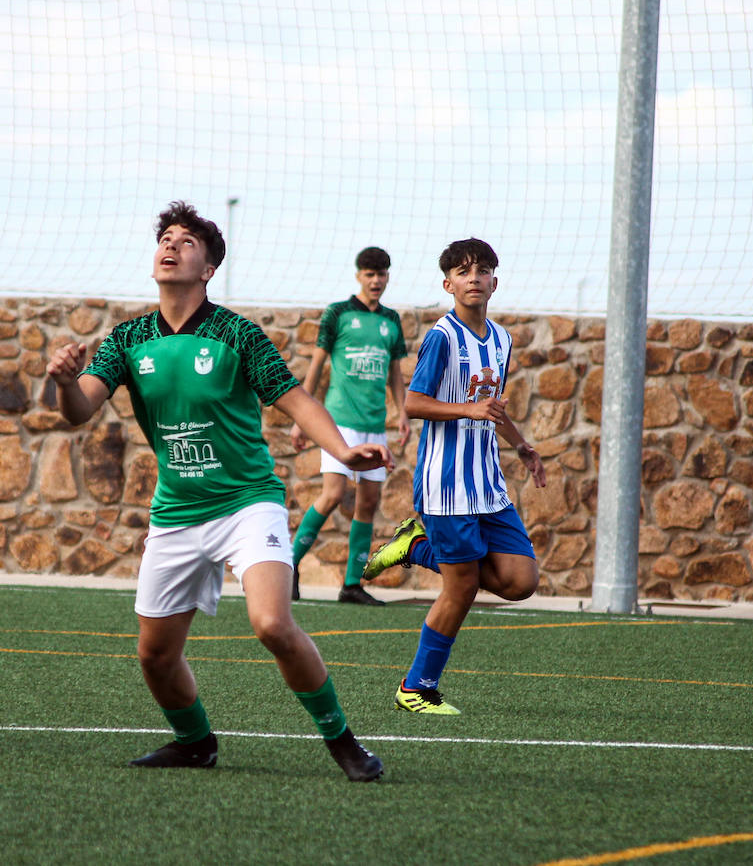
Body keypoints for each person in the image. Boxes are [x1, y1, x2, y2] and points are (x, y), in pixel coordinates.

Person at [46, 201, 387, 781]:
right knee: (155, 654)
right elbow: (80, 409)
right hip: (176, 512)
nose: (171, 246)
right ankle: (195, 743)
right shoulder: (127, 339)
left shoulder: (236, 333)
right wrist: (62, 383)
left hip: (246, 503)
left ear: (208, 269)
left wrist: (343, 450)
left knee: (272, 624)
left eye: (187, 241)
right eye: (166, 238)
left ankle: (344, 742)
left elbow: (296, 399)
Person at [363, 237, 546, 715]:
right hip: (447, 487)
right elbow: (413, 403)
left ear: (494, 282)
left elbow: (491, 407)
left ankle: (416, 547)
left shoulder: (502, 339)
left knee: (521, 580)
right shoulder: (442, 337)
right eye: (463, 272)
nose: (474, 278)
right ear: (449, 285)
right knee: (461, 587)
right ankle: (416, 688)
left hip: (488, 484)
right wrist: (468, 408)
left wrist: (521, 445)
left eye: (482, 270)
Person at [289, 246, 411, 605]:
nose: (376, 281)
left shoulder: (391, 320)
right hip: (339, 423)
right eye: (370, 274)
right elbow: (316, 365)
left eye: (382, 274)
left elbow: (395, 373)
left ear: (387, 277)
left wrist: (402, 413)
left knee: (369, 502)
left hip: (375, 425)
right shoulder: (338, 314)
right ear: (359, 276)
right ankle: (288, 565)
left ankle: (352, 584)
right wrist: (301, 418)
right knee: (332, 495)